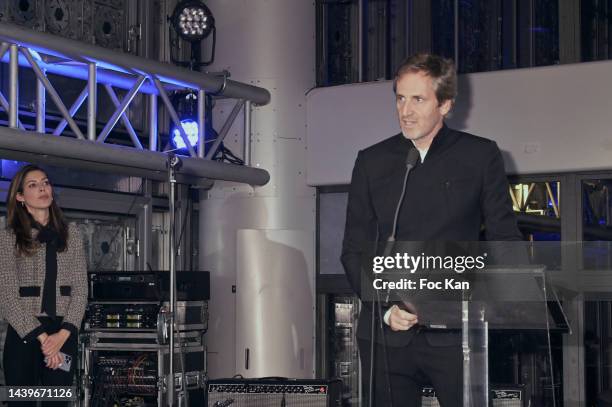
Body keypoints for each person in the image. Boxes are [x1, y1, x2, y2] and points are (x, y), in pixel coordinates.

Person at [341, 54, 523, 407]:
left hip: (458, 332)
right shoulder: (371, 160)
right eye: (400, 97)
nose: (405, 110)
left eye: (418, 99)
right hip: (385, 334)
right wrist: (387, 307)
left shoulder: (480, 155)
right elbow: (354, 249)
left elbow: (503, 237)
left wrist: (516, 291)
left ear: (446, 105)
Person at [0, 164, 87, 406]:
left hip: (64, 331)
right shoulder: (8, 236)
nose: (42, 188)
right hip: (24, 333)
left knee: (56, 402)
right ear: (19, 197)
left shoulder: (73, 234)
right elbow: (6, 295)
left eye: (46, 182)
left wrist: (62, 335)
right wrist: (44, 339)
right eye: (33, 185)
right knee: (21, 402)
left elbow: (81, 290)